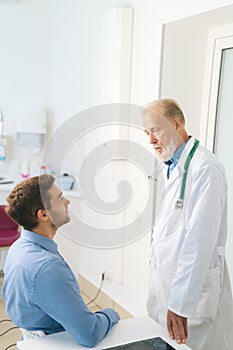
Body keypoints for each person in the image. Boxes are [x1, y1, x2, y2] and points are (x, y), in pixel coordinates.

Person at [142, 98, 233, 350]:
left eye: (155, 130)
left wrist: (181, 303)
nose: (150, 140)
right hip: (167, 287)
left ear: (177, 124)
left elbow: (199, 241)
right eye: (146, 133)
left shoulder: (205, 167)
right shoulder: (170, 167)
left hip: (195, 297)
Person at [1, 174, 119, 347]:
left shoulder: (18, 248)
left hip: (31, 336)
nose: (67, 202)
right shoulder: (48, 268)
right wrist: (111, 313)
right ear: (43, 214)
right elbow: (89, 334)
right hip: (57, 342)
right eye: (60, 198)